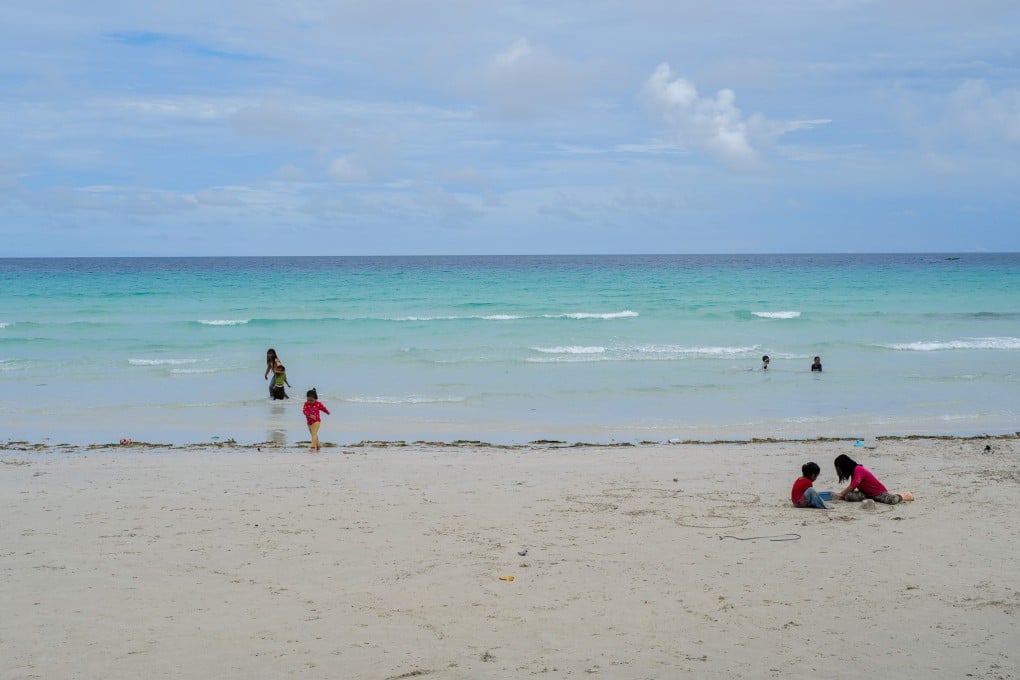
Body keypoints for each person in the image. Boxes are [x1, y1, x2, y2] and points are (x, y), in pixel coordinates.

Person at [834, 454, 901, 504]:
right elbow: (852, 488)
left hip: (878, 493)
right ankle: (870, 498)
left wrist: (841, 493)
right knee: (848, 496)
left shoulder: (858, 469)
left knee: (892, 500)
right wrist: (842, 496)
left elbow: (853, 485)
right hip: (866, 494)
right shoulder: (853, 472)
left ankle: (902, 496)